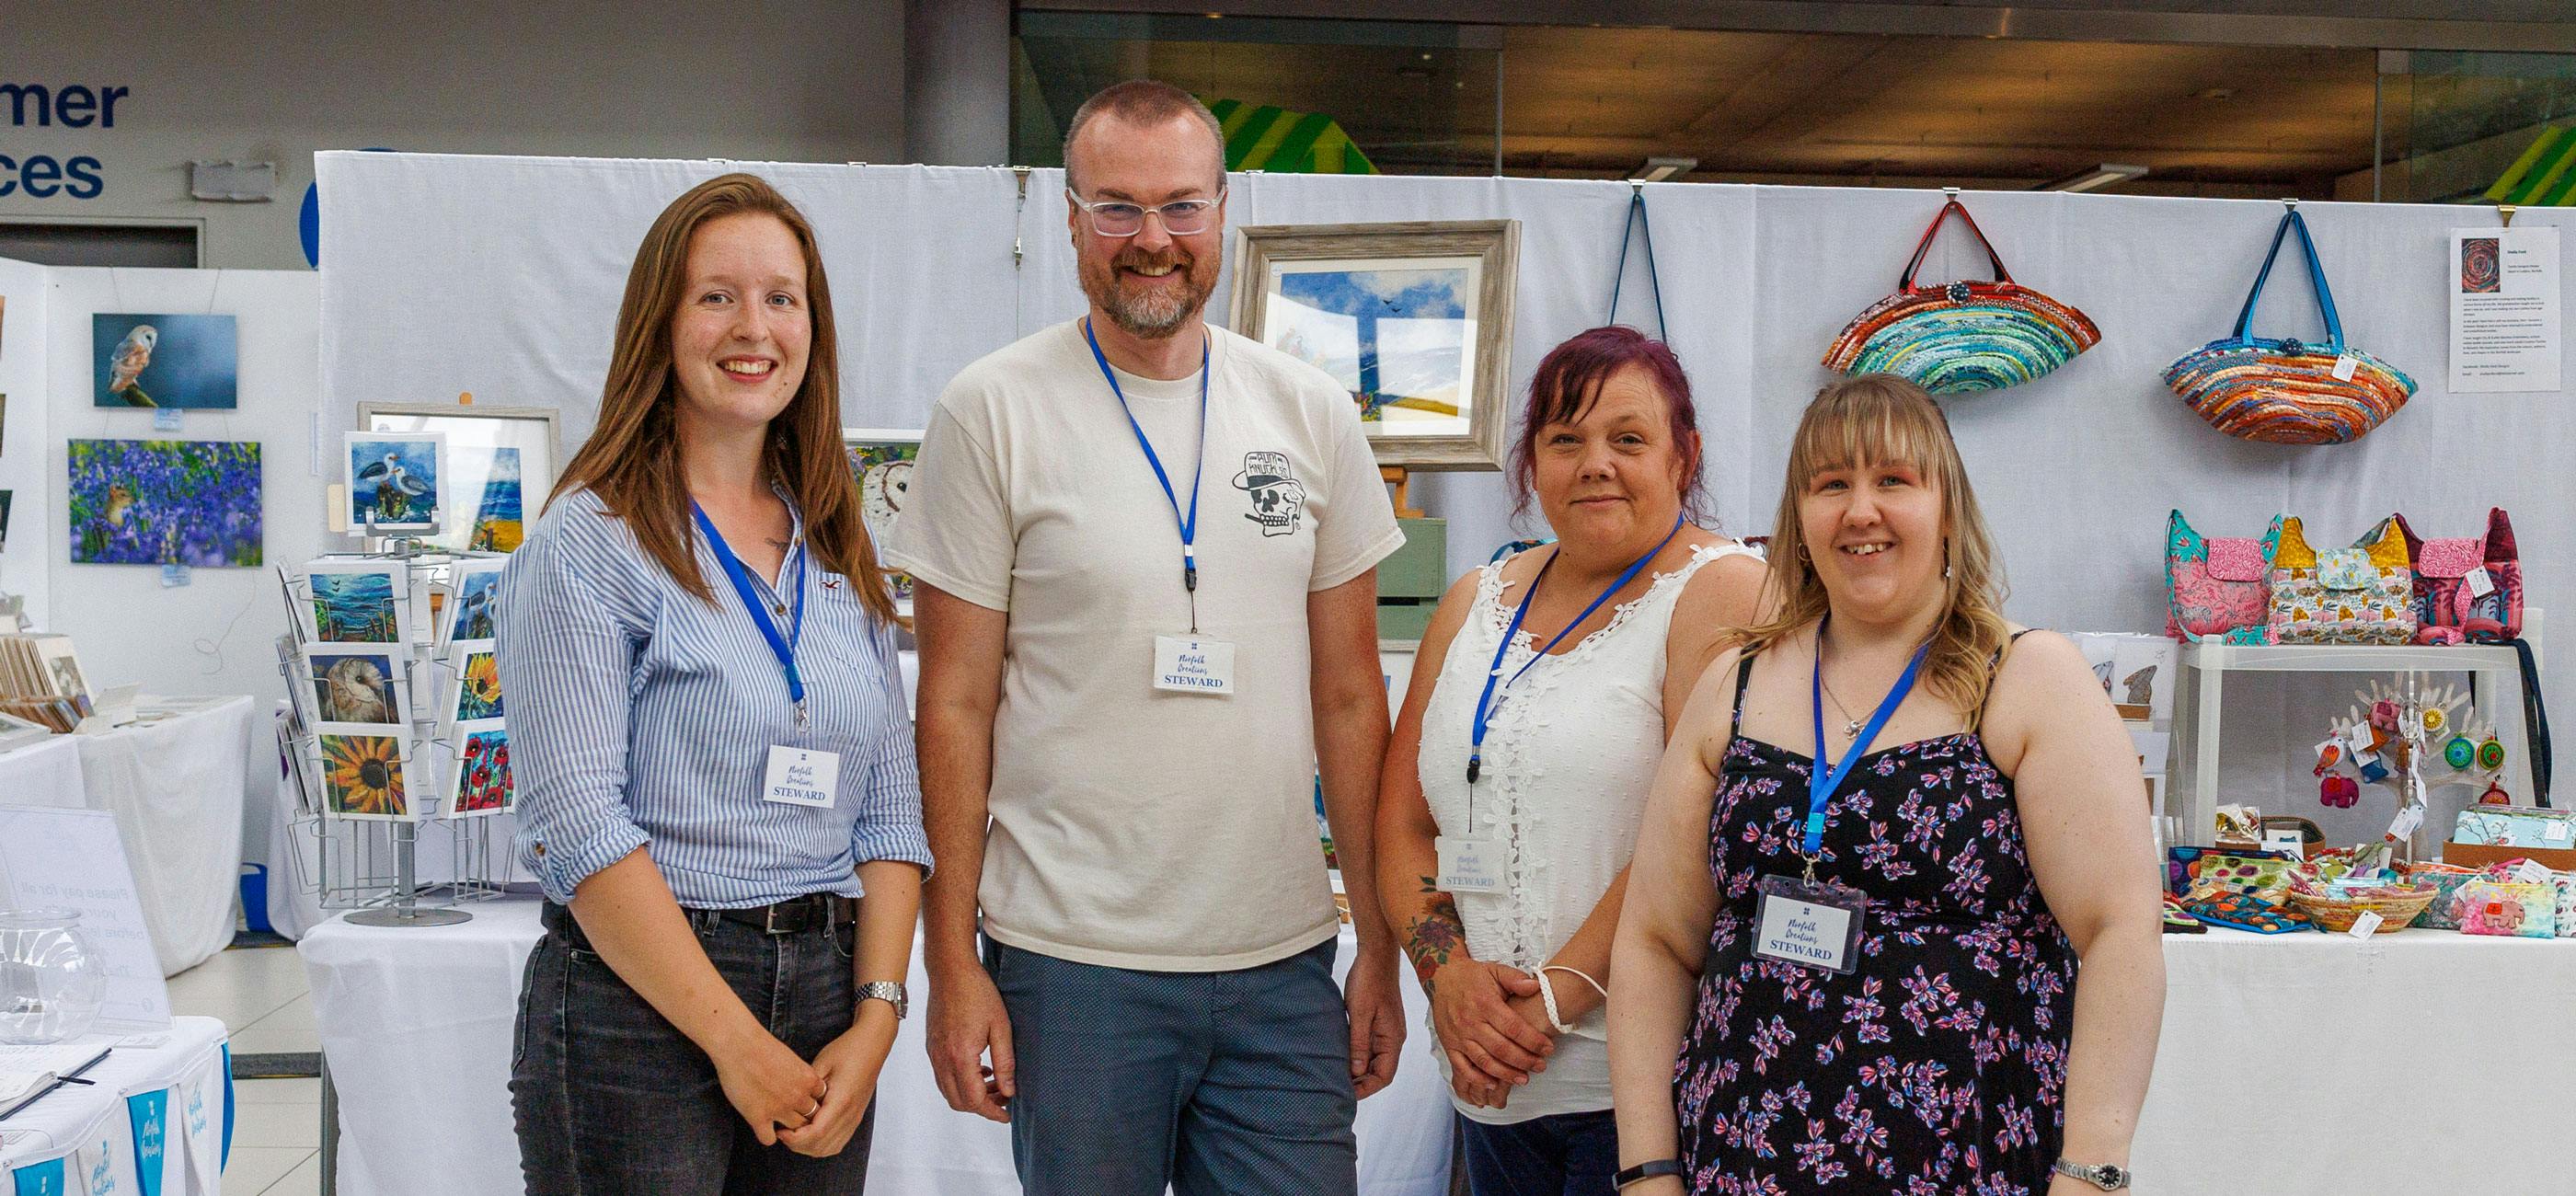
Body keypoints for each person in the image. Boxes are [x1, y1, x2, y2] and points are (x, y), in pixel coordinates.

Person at [891, 80, 1408, 1195]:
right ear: (1068, 219)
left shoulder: (1311, 413)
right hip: (1072, 967)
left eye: (1180, 205)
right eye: (1116, 208)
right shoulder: (991, 411)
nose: (1152, 240)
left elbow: (1352, 699)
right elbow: (954, 704)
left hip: (1279, 963)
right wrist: (951, 961)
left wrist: (1378, 941)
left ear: (1225, 211)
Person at [1607, 374, 2166, 1195]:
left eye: (1893, 481)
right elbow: (1656, 939)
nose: (1860, 510)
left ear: (1948, 509)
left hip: (1965, 1160)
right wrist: (1647, 1171)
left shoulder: (2025, 676)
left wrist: (2092, 1173)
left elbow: (2121, 932)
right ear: (1800, 517)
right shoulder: (1735, 682)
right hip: (1740, 1158)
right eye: (1831, 484)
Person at [499, 173, 930, 1194]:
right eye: (716, 296)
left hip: (828, 993)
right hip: (638, 1012)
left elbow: (893, 813)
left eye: (782, 298)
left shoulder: (835, 544)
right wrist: (735, 1043)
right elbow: (581, 825)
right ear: (661, 321)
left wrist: (876, 1013)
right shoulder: (588, 545)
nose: (755, 327)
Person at [1377, 327, 1767, 1195]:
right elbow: (1401, 826)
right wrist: (1448, 981)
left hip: (1636, 1081)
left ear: (1683, 454)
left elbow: (1697, 833)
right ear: (1531, 463)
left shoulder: (1721, 588)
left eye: (1628, 438)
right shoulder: (1476, 599)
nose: (1595, 463)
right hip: (1489, 1077)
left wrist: (1551, 1001)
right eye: (1566, 440)